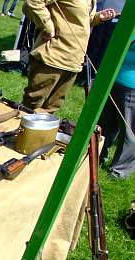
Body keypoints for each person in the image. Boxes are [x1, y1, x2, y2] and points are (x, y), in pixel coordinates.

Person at [21, 0, 117, 113]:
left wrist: (98, 18)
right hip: (53, 56)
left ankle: (41, 131)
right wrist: (48, 27)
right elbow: (32, 3)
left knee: (51, 109)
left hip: (74, 61)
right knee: (31, 105)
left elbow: (80, 21)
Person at [98, 35, 134, 179]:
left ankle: (120, 170)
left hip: (132, 86)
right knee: (105, 124)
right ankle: (97, 155)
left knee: (129, 131)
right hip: (113, 78)